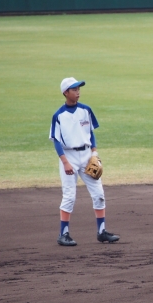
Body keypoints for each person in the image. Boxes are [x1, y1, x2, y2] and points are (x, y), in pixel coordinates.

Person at [49, 77, 120, 246]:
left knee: (99, 194)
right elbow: (56, 141)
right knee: (69, 196)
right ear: (66, 92)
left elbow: (91, 133)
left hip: (87, 155)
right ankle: (63, 234)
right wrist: (65, 162)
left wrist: (94, 153)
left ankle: (102, 231)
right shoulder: (59, 115)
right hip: (69, 156)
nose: (78, 92)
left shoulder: (86, 110)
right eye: (74, 89)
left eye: (78, 89)